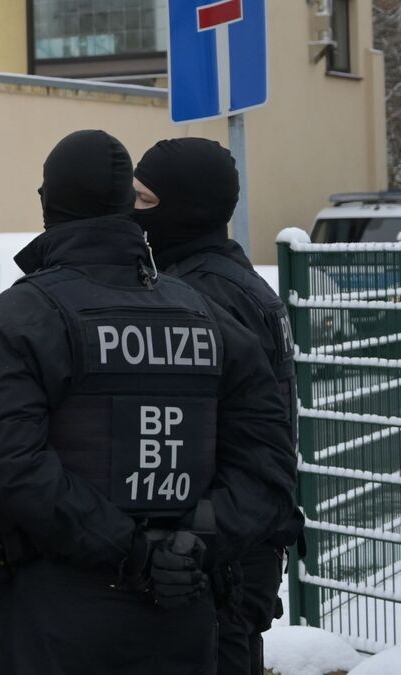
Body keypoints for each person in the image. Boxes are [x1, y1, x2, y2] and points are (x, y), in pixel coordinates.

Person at [0, 130, 297, 675]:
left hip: (59, 617)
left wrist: (132, 551)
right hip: (185, 611)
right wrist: (191, 545)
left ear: (49, 204)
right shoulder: (208, 317)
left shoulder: (25, 316)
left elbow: (11, 461)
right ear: (126, 210)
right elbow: (268, 462)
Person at [132, 138, 302, 675]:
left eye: (143, 200)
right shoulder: (226, 280)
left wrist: (193, 540)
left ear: (186, 205)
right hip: (228, 547)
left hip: (222, 558)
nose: (130, 213)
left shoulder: (207, 296)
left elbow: (241, 443)